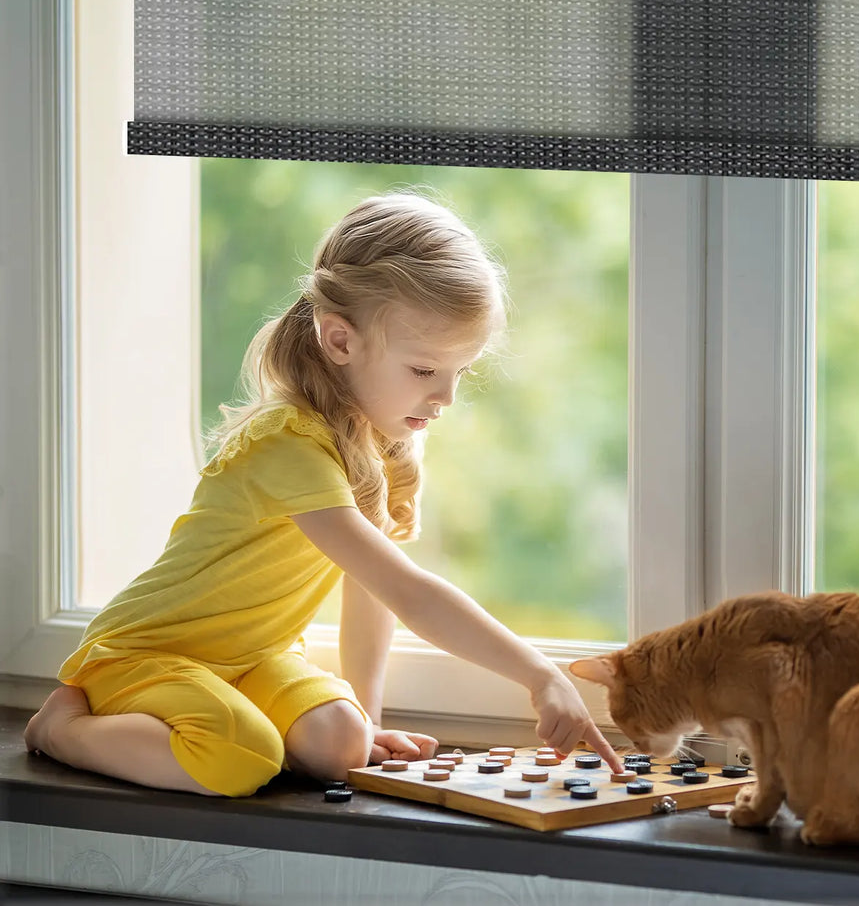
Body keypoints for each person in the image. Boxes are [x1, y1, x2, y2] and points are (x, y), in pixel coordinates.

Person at [24, 191, 623, 796]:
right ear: (340, 342)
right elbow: (408, 592)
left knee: (342, 743)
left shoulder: (381, 447)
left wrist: (368, 721)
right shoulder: (288, 443)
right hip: (146, 653)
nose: (444, 397)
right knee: (239, 758)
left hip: (252, 659)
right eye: (423, 371)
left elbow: (370, 596)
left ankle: (242, 722)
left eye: (458, 372)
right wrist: (539, 673)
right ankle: (62, 727)